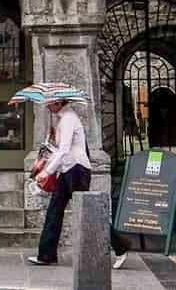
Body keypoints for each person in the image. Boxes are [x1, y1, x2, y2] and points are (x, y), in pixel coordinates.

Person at [28, 97, 129, 269]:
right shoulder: (62, 119)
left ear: (59, 103)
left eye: (50, 103)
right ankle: (46, 254)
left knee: (89, 211)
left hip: (77, 171)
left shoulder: (68, 119)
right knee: (54, 211)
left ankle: (121, 246)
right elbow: (61, 150)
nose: (47, 106)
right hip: (68, 170)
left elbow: (65, 149)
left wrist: (46, 172)